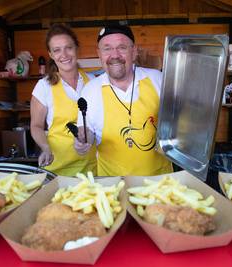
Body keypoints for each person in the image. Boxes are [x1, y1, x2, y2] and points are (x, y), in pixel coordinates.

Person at [74, 25, 173, 176]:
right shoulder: (90, 90)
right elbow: (90, 134)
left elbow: (179, 124)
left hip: (160, 182)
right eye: (107, 48)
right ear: (99, 54)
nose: (115, 55)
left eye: (122, 47)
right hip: (112, 186)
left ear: (133, 52)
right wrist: (84, 140)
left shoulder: (158, 79)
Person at [30, 24, 97, 176]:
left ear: (77, 49)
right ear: (51, 55)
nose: (64, 54)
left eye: (68, 47)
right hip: (57, 171)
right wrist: (45, 148)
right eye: (57, 50)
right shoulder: (44, 86)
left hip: (91, 169)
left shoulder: (93, 83)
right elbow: (36, 126)